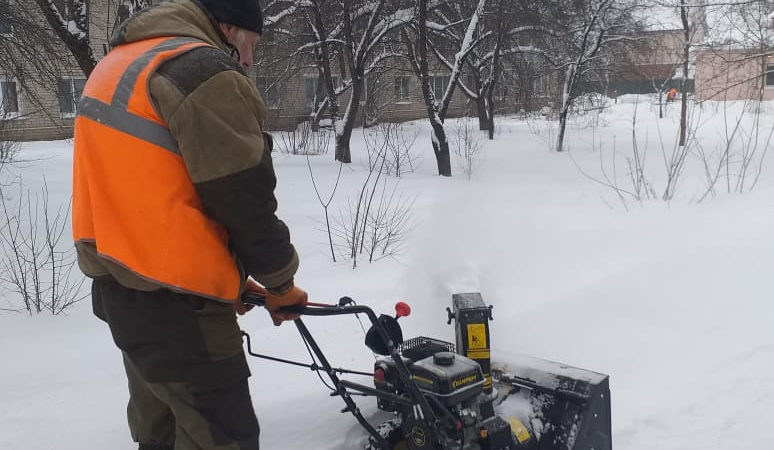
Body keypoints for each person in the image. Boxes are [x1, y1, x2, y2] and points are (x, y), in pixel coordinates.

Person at [71, 0, 307, 449]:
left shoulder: (117, 65)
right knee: (221, 438)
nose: (250, 59)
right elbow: (242, 197)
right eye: (251, 44)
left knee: (160, 434)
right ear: (227, 27)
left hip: (124, 294)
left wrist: (229, 280)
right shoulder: (202, 71)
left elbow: (154, 189)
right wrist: (281, 282)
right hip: (182, 315)